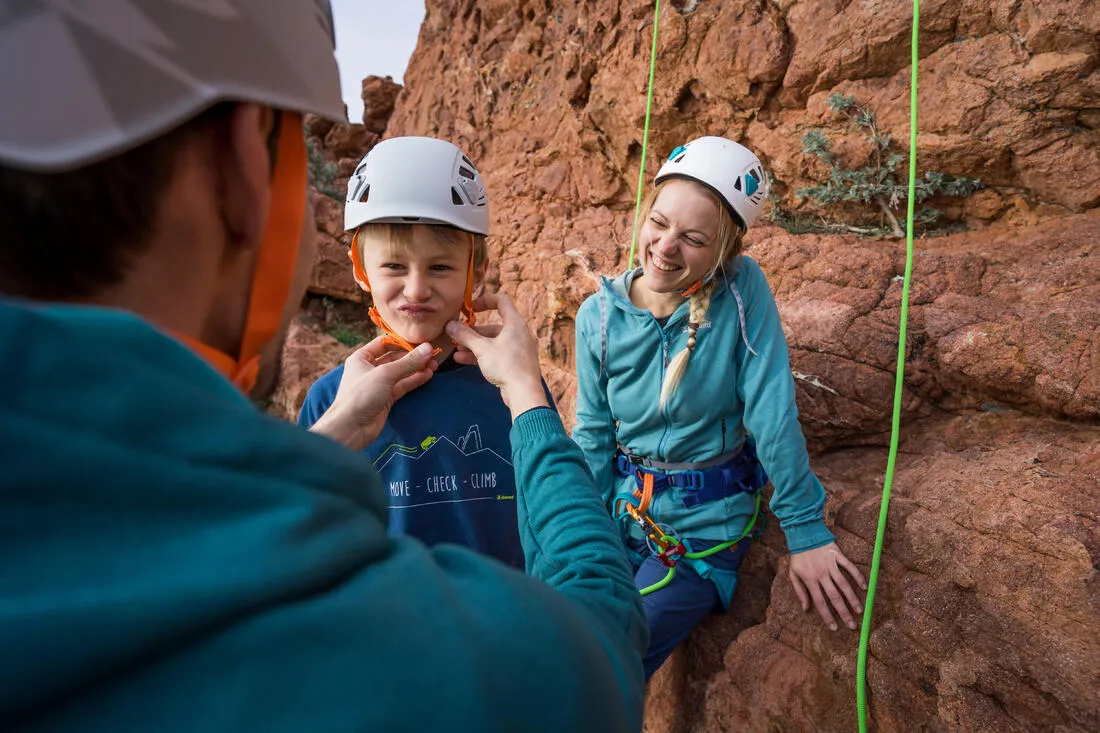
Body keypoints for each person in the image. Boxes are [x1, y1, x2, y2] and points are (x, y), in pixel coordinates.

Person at [0, 3, 647, 731]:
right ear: (248, 160)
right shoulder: (417, 653)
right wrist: (528, 392)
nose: (416, 286)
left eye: (440, 265)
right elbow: (597, 649)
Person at [572, 136, 866, 680]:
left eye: (692, 239)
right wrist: (578, 543)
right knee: (560, 645)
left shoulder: (741, 291)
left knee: (598, 667)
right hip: (620, 521)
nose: (664, 247)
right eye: (657, 224)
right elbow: (592, 436)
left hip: (703, 533)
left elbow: (771, 411)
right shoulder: (597, 315)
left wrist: (806, 531)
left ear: (723, 251)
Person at [299, 138, 536, 569]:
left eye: (440, 267)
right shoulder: (331, 402)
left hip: (500, 627)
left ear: (475, 270)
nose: (416, 289)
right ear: (360, 269)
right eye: (393, 266)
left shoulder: (513, 390)